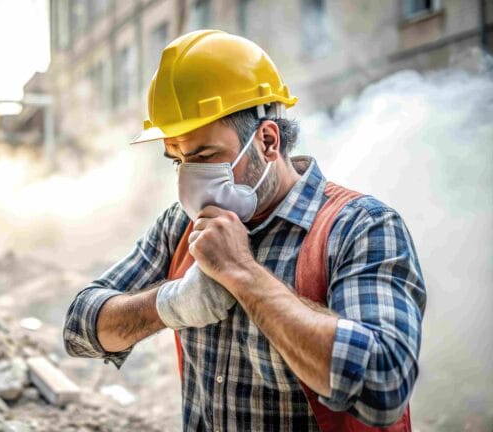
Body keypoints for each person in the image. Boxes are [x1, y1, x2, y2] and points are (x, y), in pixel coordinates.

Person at [63, 30, 426, 432]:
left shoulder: (360, 226)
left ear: (267, 140)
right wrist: (168, 305)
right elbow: (80, 330)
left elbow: (384, 386)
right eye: (177, 160)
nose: (189, 179)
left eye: (204, 156)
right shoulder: (181, 226)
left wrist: (244, 275)